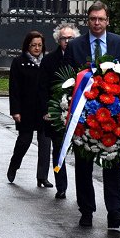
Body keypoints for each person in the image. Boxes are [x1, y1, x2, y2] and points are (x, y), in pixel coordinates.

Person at [63, 0, 120, 229]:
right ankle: (86, 211)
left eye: (101, 19)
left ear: (108, 21)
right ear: (87, 21)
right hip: (84, 116)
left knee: (113, 164)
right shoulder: (75, 46)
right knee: (83, 166)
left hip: (114, 116)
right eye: (93, 19)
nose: (97, 23)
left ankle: (115, 213)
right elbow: (67, 79)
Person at [7, 31, 52, 188]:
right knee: (24, 141)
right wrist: (15, 110)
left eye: (40, 45)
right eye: (33, 45)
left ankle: (42, 177)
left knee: (45, 143)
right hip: (26, 109)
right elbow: (14, 88)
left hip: (44, 110)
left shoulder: (47, 62)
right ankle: (14, 165)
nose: (37, 48)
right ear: (27, 45)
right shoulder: (19, 62)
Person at [41, 22, 80, 199]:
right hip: (56, 112)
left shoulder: (83, 58)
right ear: (58, 40)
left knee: (80, 150)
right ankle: (61, 186)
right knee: (58, 149)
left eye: (70, 38)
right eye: (63, 38)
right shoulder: (49, 60)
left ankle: (82, 188)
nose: (67, 41)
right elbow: (41, 88)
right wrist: (46, 110)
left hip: (79, 111)